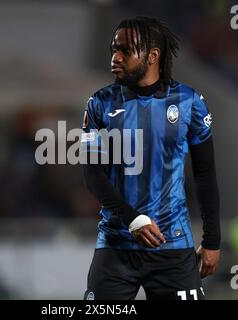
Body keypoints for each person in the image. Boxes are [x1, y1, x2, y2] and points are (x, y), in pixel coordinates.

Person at [81, 16, 220, 300]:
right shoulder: (99, 104)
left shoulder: (189, 102)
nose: (115, 58)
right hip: (116, 245)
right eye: (113, 50)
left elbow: (205, 174)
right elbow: (93, 174)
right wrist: (133, 219)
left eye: (125, 50)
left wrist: (212, 241)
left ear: (153, 55)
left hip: (173, 246)